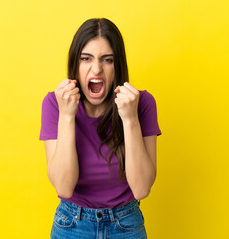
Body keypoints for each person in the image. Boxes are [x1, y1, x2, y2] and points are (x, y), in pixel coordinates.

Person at [39, 18, 161, 239]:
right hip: (71, 224)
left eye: (107, 60)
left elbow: (142, 189)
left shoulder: (142, 103)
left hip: (126, 224)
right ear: (75, 64)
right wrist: (67, 115)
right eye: (86, 59)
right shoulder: (54, 104)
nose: (96, 69)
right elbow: (64, 188)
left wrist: (130, 119)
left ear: (118, 66)